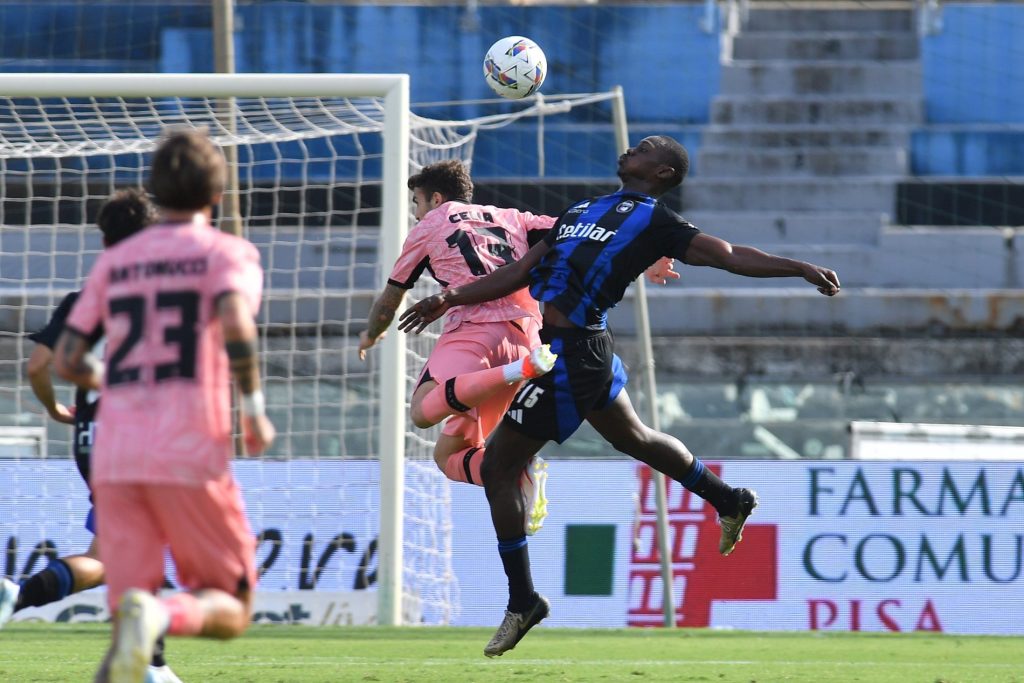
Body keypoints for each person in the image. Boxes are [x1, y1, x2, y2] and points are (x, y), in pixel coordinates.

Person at [398, 135, 841, 657]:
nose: (633, 148)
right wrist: (449, 296)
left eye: (646, 148)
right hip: (581, 347)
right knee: (636, 438)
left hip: (571, 357)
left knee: (499, 468)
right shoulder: (583, 208)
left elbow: (728, 255)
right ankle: (729, 500)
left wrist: (799, 267)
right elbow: (518, 271)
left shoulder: (657, 222)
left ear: (663, 173)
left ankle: (523, 601)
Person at [53, 128, 274, 683]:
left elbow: (69, 360)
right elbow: (236, 325)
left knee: (124, 636)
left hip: (116, 455)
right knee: (230, 606)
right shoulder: (226, 253)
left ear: (155, 191)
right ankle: (159, 615)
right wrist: (253, 407)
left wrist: (120, 381)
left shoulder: (116, 262)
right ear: (217, 195)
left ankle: (143, 619)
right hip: (187, 447)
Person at [358, 159, 674, 535]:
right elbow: (586, 234)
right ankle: (522, 467)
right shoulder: (513, 217)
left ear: (436, 198)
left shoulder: (428, 226)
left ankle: (517, 376)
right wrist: (651, 256)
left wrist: (372, 333)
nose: (416, 212)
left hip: (475, 333)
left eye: (417, 202)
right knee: (447, 456)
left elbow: (391, 297)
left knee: (422, 411)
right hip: (528, 336)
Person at [0, 189, 184, 683]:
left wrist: (54, 409)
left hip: (92, 440)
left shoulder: (82, 300)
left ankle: (149, 665)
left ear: (104, 241)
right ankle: (147, 664)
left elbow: (37, 366)